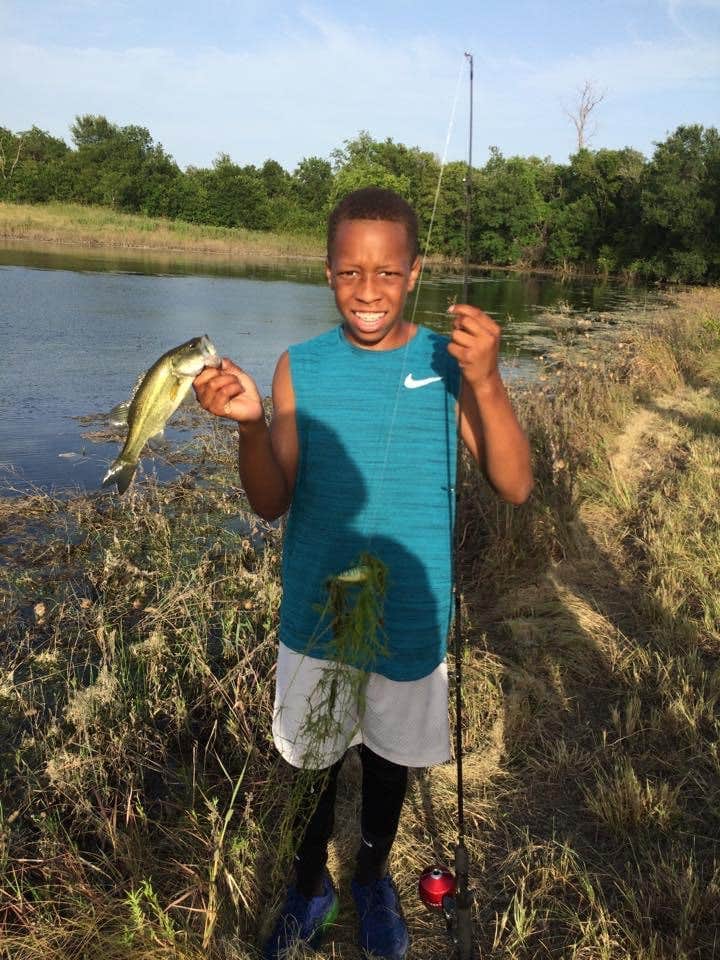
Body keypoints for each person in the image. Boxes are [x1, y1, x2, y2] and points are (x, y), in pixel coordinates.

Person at [193, 187, 533, 960]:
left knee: (388, 761)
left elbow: (514, 485)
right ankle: (308, 882)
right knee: (312, 761)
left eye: (386, 272)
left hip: (409, 616)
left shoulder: (450, 363)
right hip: (316, 615)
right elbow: (270, 502)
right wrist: (250, 426)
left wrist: (486, 379)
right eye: (350, 272)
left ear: (415, 273)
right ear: (327, 273)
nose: (368, 290)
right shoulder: (300, 367)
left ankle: (373, 878)